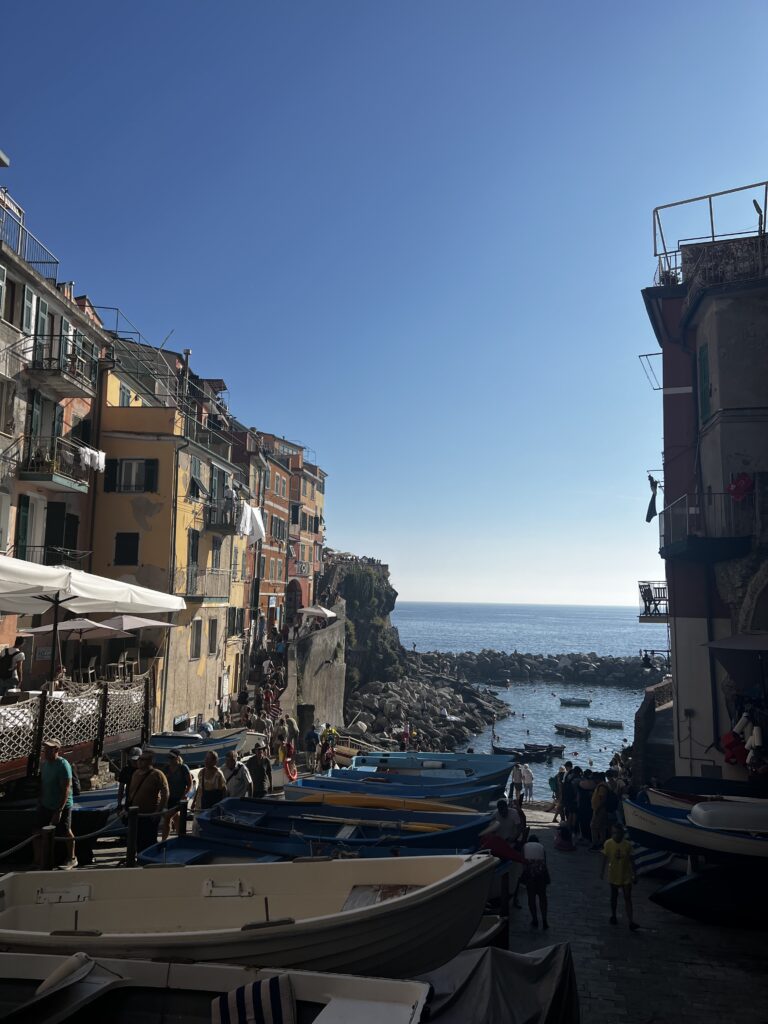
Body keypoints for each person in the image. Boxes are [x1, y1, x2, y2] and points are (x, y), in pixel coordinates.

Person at [36, 738, 76, 868]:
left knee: (65, 830)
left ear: (56, 750)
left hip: (61, 804)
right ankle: (42, 860)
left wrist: (59, 810)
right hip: (46, 803)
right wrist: (41, 801)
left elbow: (66, 789)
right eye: (45, 749)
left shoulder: (63, 765)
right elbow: (44, 784)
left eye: (49, 749)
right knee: (39, 831)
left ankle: (72, 858)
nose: (46, 751)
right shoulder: (45, 764)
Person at [127, 750, 170, 853]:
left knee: (149, 840)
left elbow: (165, 793)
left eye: (143, 759)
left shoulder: (157, 774)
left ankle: (149, 860)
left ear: (150, 761)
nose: (139, 761)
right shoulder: (135, 773)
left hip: (150, 815)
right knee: (137, 840)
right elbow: (131, 792)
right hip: (136, 814)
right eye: (139, 759)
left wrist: (158, 811)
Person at [600, 824, 639, 930]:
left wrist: (635, 875)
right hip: (613, 874)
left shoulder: (627, 845)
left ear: (622, 834)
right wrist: (602, 872)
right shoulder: (608, 844)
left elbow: (632, 861)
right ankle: (613, 915)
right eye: (614, 833)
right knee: (614, 896)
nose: (616, 835)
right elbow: (604, 858)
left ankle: (631, 921)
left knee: (628, 897)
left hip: (626, 874)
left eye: (618, 833)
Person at [161, 749, 193, 840]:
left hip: (180, 799)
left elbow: (189, 784)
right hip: (169, 798)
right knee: (176, 818)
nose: (170, 760)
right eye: (169, 758)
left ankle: (163, 841)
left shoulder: (183, 767)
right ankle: (182, 838)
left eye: (172, 758)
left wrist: (184, 795)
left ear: (177, 758)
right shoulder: (166, 768)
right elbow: (162, 783)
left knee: (167, 818)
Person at [521, 833, 550, 929]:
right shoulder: (541, 846)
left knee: (531, 897)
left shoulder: (525, 846)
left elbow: (523, 862)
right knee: (542, 897)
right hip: (541, 872)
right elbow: (544, 862)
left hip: (530, 873)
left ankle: (535, 919)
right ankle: (544, 920)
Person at [117, 747, 142, 811]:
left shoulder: (145, 770)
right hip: (130, 801)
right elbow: (121, 789)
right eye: (133, 760)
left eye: (136, 760)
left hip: (143, 802)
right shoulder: (125, 770)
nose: (134, 762)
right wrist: (119, 804)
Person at [590, 772, 610, 850]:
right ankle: (602, 843)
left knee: (593, 826)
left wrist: (597, 809)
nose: (593, 780)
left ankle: (595, 844)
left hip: (599, 810)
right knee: (601, 827)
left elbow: (603, 800)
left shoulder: (602, 786)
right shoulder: (602, 785)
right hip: (599, 810)